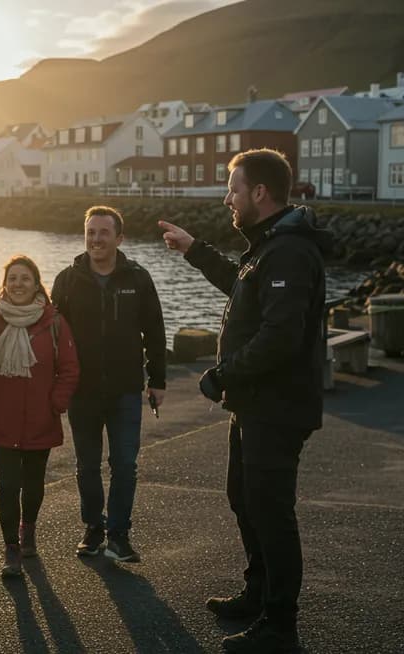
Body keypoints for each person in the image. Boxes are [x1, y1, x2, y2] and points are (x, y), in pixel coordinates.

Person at [159, 148, 331, 654]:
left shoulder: (290, 253)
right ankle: (258, 594)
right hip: (256, 405)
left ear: (260, 192)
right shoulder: (268, 247)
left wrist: (222, 374)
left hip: (277, 408)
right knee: (245, 499)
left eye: (233, 188)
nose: (227, 198)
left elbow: (280, 336)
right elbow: (240, 287)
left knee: (271, 511)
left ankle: (280, 625)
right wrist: (194, 249)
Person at [51, 205, 168, 563]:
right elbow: (52, 335)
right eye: (90, 232)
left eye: (103, 233)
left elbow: (156, 331)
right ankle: (93, 528)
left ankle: (119, 534)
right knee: (86, 465)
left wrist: (158, 379)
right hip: (82, 391)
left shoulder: (138, 278)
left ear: (119, 238)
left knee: (124, 464)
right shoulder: (67, 280)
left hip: (125, 389)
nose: (96, 239)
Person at [0, 255, 80, 578]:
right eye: (12, 279)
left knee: (33, 484)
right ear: (4, 285)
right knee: (8, 486)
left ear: (37, 284)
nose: (18, 284)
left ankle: (28, 530)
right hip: (1, 419)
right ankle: (11, 548)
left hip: (41, 419)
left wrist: (56, 403)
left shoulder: (53, 322)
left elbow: (69, 368)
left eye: (25, 279)